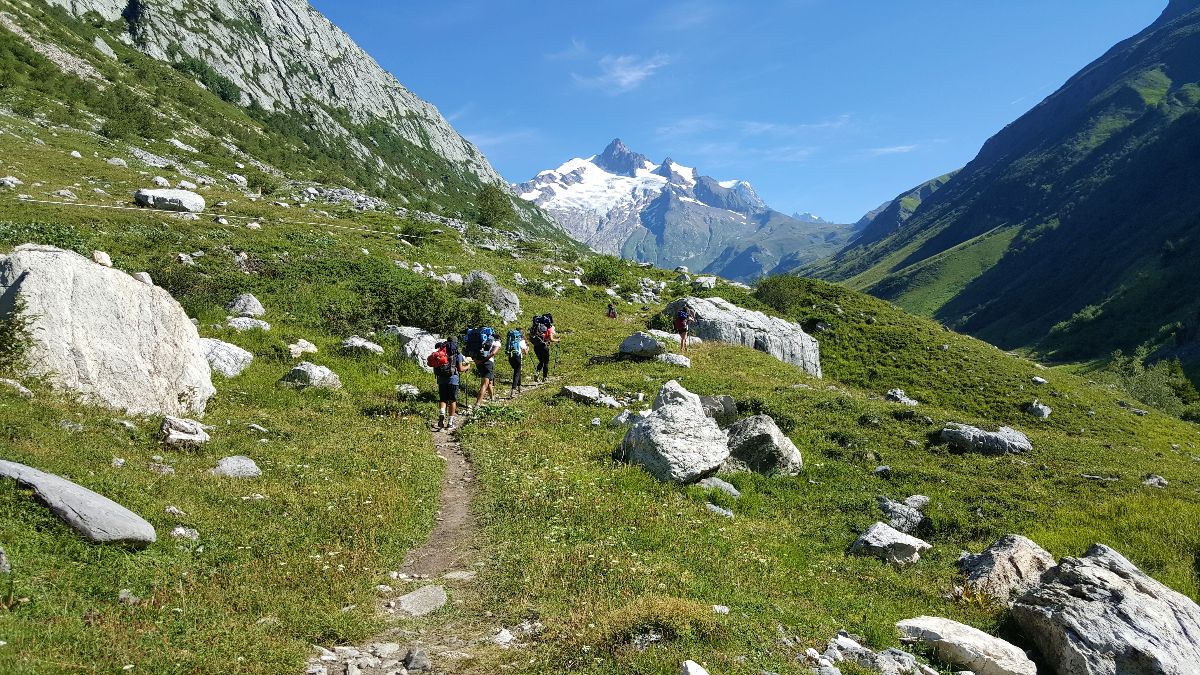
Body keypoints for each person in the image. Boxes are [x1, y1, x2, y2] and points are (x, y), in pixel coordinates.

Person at [434, 337, 471, 430]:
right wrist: (468, 366)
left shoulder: (441, 352)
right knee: (452, 400)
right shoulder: (457, 353)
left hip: (442, 379)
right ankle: (450, 423)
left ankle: (442, 414)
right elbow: (461, 369)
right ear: (456, 342)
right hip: (453, 380)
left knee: (443, 399)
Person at [474, 330, 502, 407]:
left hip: (479, 362)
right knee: (484, 383)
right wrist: (484, 360)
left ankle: (492, 397)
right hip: (487, 362)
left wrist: (477, 360)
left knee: (489, 381)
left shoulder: (481, 341)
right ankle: (478, 403)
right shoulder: (496, 342)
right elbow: (493, 353)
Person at [531, 314, 560, 383]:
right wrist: (558, 340)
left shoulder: (535, 328)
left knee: (541, 361)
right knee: (546, 362)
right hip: (544, 347)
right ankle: (545, 378)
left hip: (536, 346)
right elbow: (551, 339)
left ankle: (537, 373)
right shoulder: (548, 328)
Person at [505, 328, 529, 397]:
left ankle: (519, 387)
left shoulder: (511, 340)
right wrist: (527, 348)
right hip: (517, 357)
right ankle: (513, 390)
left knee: (518, 371)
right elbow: (526, 352)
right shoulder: (521, 341)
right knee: (517, 373)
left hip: (510, 357)